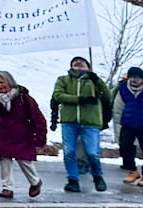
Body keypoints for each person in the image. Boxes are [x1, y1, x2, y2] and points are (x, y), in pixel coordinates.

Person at [49, 55, 110, 192]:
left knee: (92, 153)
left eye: (82, 63)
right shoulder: (63, 80)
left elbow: (107, 96)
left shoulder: (94, 81)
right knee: (69, 152)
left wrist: (97, 81)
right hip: (69, 121)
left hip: (91, 122)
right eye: (75, 63)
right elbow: (58, 95)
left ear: (88, 66)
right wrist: (80, 99)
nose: (78, 64)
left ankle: (98, 177)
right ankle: (73, 180)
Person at [0, 71, 47, 199]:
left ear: (10, 82)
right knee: (4, 161)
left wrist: (40, 139)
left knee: (24, 161)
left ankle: (35, 182)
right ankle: (7, 188)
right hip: (1, 134)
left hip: (21, 135)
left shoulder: (23, 98)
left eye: (2, 82)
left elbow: (38, 119)